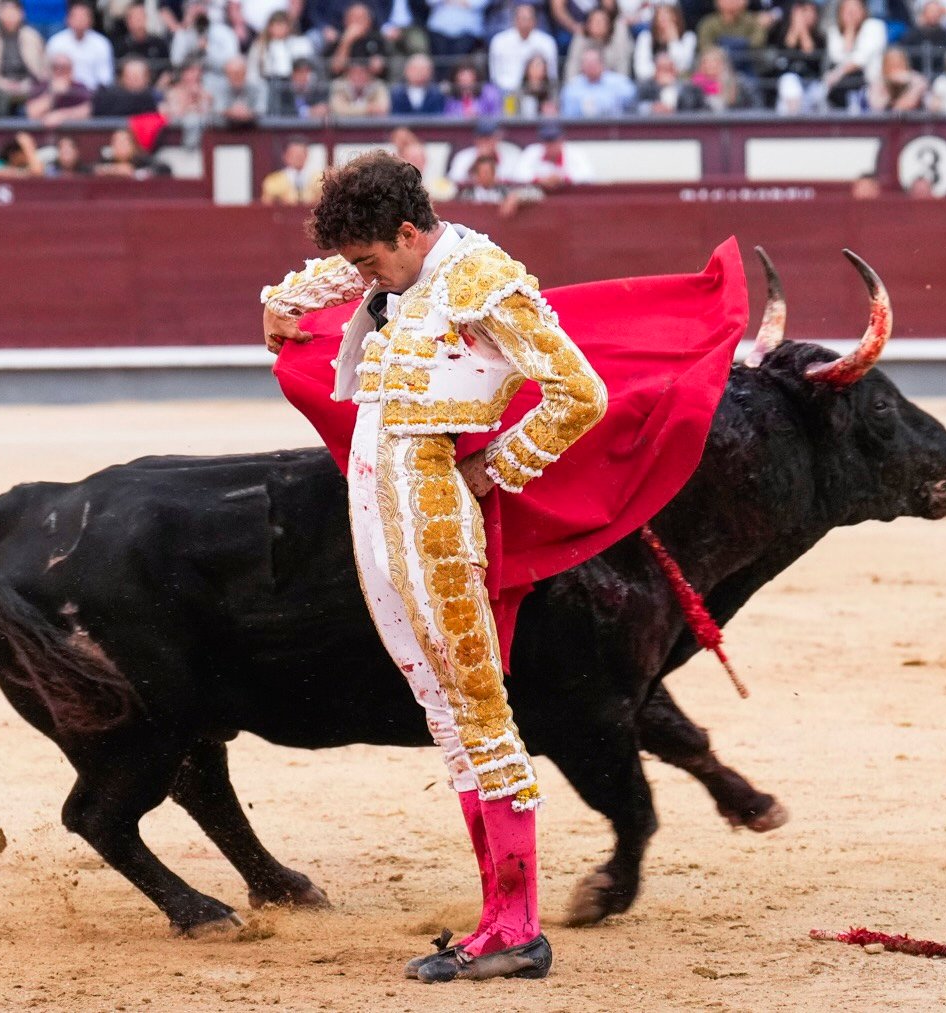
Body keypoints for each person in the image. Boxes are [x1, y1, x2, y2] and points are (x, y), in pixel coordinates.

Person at [260, 150, 604, 983]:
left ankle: (517, 926)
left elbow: (580, 393)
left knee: (478, 706)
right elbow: (326, 281)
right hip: (378, 505)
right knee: (443, 707)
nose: (362, 279)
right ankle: (496, 917)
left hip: (438, 520)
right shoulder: (404, 273)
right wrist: (283, 301)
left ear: (409, 233)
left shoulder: (481, 277)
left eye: (370, 261)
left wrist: (501, 466)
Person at [823, 0, 884, 110]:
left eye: (855, 8)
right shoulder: (834, 31)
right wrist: (849, 32)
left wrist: (838, 73)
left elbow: (861, 59)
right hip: (840, 87)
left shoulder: (875, 26)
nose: (851, 12)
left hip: (870, 85)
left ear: (863, 10)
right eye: (847, 9)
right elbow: (836, 57)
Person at [0, 0, 46, 95]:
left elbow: (42, 70)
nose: (10, 16)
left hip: (29, 85)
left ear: (22, 14)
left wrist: (24, 85)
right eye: (6, 12)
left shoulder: (33, 37)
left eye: (13, 12)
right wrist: (4, 84)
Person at [487, 3, 556, 94]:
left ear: (535, 21)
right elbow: (494, 76)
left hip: (537, 94)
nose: (525, 23)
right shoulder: (499, 41)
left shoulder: (547, 42)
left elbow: (552, 76)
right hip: (506, 94)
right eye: (522, 18)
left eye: (528, 19)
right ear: (514, 20)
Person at [45, 0, 112, 88]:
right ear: (67, 19)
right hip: (64, 92)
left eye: (83, 17)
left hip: (92, 93)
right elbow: (48, 74)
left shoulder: (101, 43)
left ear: (91, 20)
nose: (79, 20)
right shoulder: (56, 42)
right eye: (76, 16)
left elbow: (105, 78)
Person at [562, 7, 629, 91]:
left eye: (601, 22)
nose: (598, 24)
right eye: (595, 21)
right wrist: (572, 87)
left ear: (609, 25)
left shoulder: (616, 41)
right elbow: (573, 65)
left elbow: (622, 68)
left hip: (610, 88)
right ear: (587, 24)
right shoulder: (580, 38)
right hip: (584, 87)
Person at [558, 48, 634, 117]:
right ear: (581, 66)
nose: (590, 66)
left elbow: (632, 108)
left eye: (593, 62)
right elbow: (568, 116)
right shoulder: (572, 87)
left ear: (602, 63)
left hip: (613, 128)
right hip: (582, 129)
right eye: (587, 63)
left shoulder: (621, 83)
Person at [513, 119, 590, 186]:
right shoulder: (532, 152)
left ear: (562, 140)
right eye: (546, 141)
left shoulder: (575, 152)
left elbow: (587, 176)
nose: (550, 145)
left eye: (553, 141)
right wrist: (540, 180)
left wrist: (562, 179)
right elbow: (518, 175)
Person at [324, 1, 387, 79]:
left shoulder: (377, 39)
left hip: (370, 82)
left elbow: (382, 68)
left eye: (361, 18)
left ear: (369, 21)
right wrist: (346, 41)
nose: (357, 22)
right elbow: (336, 69)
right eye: (354, 18)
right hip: (344, 83)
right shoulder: (337, 39)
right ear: (345, 21)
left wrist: (378, 63)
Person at [445, 117, 518, 183]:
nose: (485, 142)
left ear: (498, 137)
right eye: (482, 138)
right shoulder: (463, 157)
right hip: (472, 196)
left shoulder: (511, 154)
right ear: (475, 139)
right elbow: (453, 182)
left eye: (490, 138)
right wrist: (476, 162)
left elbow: (518, 179)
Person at [24, 51, 90, 122]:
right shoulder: (42, 86)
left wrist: (62, 115)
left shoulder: (79, 87)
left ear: (71, 70)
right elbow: (32, 113)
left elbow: (88, 111)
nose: (60, 71)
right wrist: (53, 94)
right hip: (45, 132)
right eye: (56, 67)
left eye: (64, 67)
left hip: (73, 131)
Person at [631, 4, 693, 80]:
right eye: (661, 18)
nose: (664, 23)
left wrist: (673, 40)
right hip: (651, 83)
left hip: (678, 82)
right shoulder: (645, 38)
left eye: (668, 19)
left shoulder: (688, 38)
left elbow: (684, 66)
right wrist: (660, 73)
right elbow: (641, 70)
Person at [900, 0, 946, 77]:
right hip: (915, 76)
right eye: (930, 11)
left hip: (944, 77)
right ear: (924, 13)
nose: (933, 15)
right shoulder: (910, 37)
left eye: (936, 12)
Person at [259, 133, 320, 203]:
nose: (298, 158)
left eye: (301, 154)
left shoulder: (319, 178)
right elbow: (267, 205)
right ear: (285, 156)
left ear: (307, 155)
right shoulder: (273, 180)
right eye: (294, 154)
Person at [637, 50, 704, 113]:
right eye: (662, 68)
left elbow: (695, 107)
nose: (666, 72)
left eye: (669, 68)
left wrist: (673, 88)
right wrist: (651, 107)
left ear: (675, 70)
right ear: (655, 70)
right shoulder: (645, 87)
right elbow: (635, 107)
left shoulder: (689, 88)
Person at [90, 54, 159, 115]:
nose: (134, 80)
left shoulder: (156, 97)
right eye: (130, 76)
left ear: (147, 78)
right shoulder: (108, 99)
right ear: (121, 78)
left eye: (137, 76)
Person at [208, 53, 265, 123]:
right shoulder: (220, 86)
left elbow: (261, 109)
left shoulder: (258, 85)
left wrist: (246, 112)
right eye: (230, 74)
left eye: (238, 74)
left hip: (254, 127)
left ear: (245, 72)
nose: (234, 78)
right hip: (226, 127)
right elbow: (218, 109)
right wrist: (232, 112)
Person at [867, 46, 924, 111]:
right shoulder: (878, 82)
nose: (895, 68)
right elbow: (876, 106)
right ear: (884, 66)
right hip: (887, 119)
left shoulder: (916, 79)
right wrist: (891, 89)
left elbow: (910, 103)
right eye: (891, 63)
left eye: (899, 63)